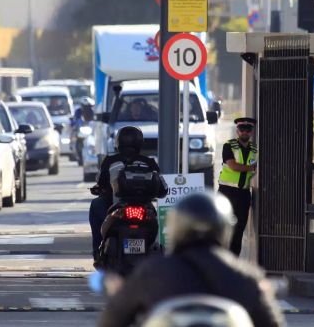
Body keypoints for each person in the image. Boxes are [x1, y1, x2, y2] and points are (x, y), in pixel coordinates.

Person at [97, 191, 285, 327]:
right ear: (224, 229)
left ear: (177, 227)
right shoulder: (246, 277)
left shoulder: (153, 272)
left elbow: (112, 319)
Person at [88, 126, 165, 264]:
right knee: (156, 226)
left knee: (95, 205)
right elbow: (163, 188)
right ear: (140, 142)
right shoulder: (149, 162)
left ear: (118, 142)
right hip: (145, 208)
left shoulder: (109, 161)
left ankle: (97, 251)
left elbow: (100, 182)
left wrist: (101, 189)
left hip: (117, 206)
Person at [218, 117, 257, 256]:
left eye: (248, 129)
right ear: (237, 131)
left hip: (243, 194)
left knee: (239, 229)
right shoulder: (229, 146)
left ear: (252, 132)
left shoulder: (255, 150)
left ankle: (233, 260)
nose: (245, 132)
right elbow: (233, 166)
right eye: (242, 129)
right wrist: (251, 168)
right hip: (226, 192)